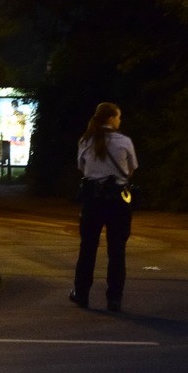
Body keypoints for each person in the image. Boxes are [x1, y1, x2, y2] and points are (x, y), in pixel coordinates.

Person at [70, 102, 137, 312]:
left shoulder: (86, 140)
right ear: (110, 118)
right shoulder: (124, 141)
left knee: (87, 248)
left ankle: (81, 294)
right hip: (117, 201)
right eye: (118, 117)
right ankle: (114, 299)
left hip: (92, 200)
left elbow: (82, 168)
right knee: (117, 250)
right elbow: (131, 169)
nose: (119, 121)